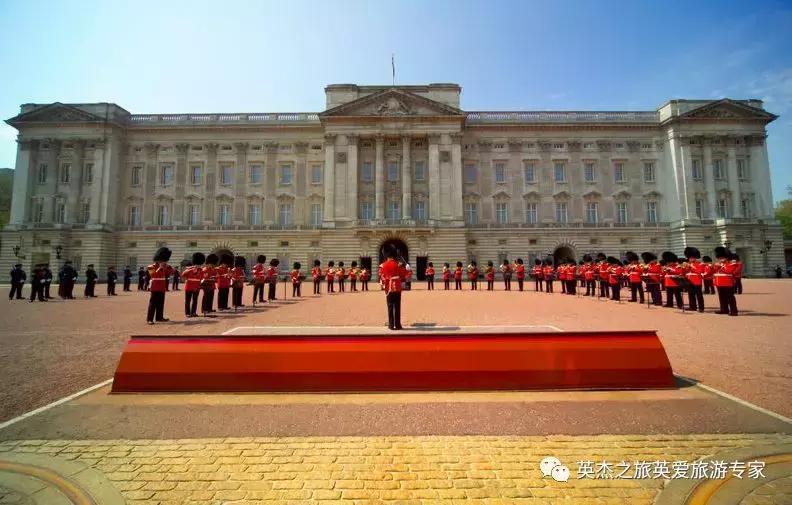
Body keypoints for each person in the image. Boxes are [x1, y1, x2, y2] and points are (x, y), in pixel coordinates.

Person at [146, 247, 174, 324]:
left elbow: (172, 273)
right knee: (153, 303)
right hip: (155, 287)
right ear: (157, 259)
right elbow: (153, 275)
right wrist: (160, 268)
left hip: (162, 287)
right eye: (161, 260)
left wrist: (168, 267)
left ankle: (159, 317)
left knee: (161, 303)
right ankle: (149, 319)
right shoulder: (151, 266)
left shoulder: (165, 266)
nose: (162, 261)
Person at [380, 247, 405, 330]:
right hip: (397, 286)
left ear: (386, 255)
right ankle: (397, 325)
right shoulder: (398, 264)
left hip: (388, 287)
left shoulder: (383, 265)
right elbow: (402, 275)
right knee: (397, 305)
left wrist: (384, 284)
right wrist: (406, 268)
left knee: (390, 306)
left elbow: (382, 276)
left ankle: (391, 325)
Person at [713, 247, 738, 316]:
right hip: (719, 283)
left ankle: (734, 311)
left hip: (728, 283)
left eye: (722, 258)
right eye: (720, 258)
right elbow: (714, 272)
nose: (721, 259)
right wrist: (716, 266)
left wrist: (720, 265)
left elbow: (728, 271)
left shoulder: (731, 263)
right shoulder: (719, 264)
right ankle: (724, 309)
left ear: (727, 257)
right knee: (722, 297)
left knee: (730, 297)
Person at [182, 253, 204, 317]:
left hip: (196, 287)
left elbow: (202, 278)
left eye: (199, 264)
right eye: (197, 264)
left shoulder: (201, 270)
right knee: (188, 301)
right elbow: (183, 275)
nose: (198, 266)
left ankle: (193, 312)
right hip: (189, 287)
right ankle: (187, 313)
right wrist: (191, 270)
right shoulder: (189, 269)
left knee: (195, 300)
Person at [684, 247, 705, 312]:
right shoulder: (689, 264)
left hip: (697, 281)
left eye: (692, 258)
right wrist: (684, 268)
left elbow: (699, 272)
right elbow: (685, 273)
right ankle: (692, 307)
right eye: (689, 258)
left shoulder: (700, 264)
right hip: (689, 281)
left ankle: (701, 308)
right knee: (691, 294)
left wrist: (691, 267)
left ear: (695, 257)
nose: (690, 259)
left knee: (699, 295)